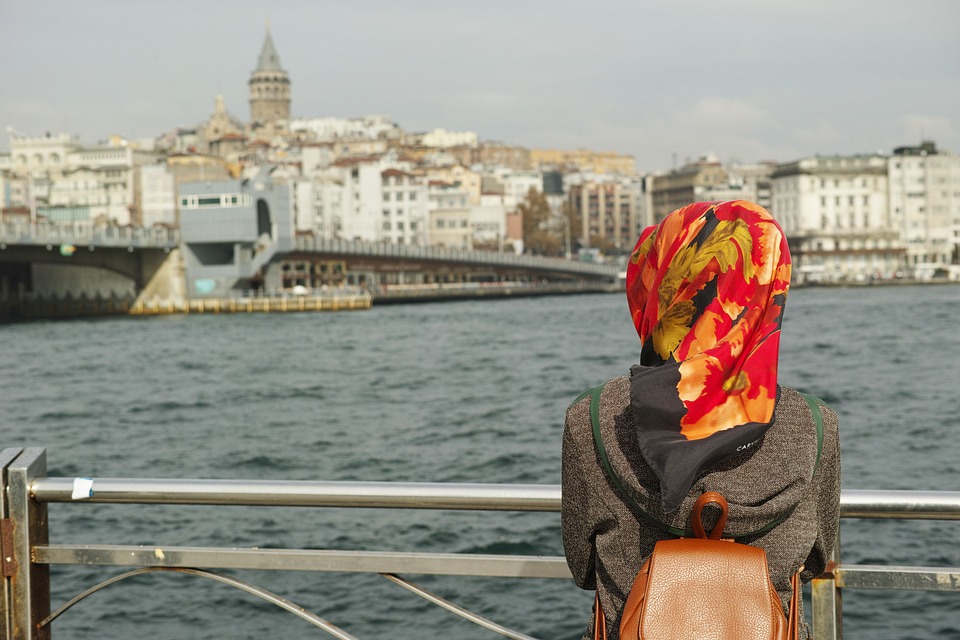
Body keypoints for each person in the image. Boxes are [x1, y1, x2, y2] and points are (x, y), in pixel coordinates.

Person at [561, 200, 841, 640]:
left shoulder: (593, 417)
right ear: (767, 291)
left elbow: (582, 567)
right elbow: (815, 560)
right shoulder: (815, 425)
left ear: (664, 286)